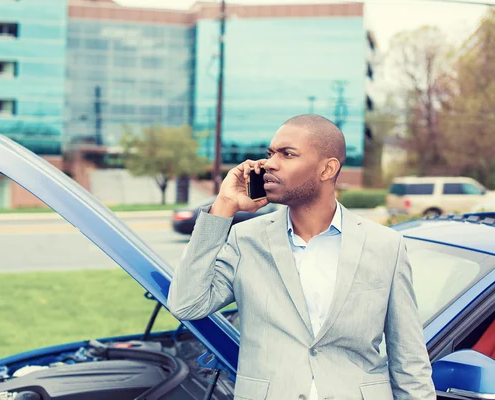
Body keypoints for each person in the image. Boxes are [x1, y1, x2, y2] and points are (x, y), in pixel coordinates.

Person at [167, 114, 436, 400]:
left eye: (288, 154)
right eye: (270, 153)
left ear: (327, 169)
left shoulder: (386, 245)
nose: (270, 163)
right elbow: (187, 304)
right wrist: (224, 206)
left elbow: (409, 360)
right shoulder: (245, 240)